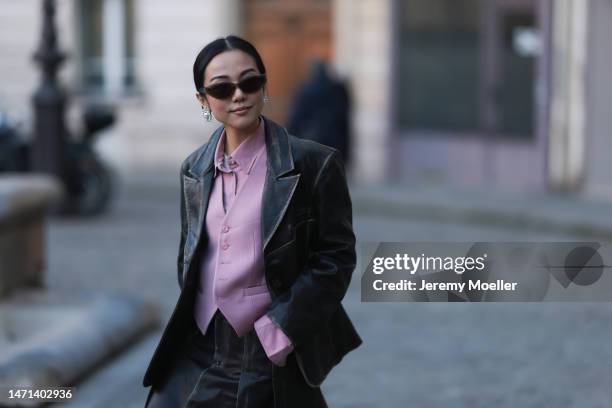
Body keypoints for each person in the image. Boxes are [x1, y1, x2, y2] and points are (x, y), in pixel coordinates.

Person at [142, 35, 361, 407]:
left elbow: (336, 259)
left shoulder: (312, 164)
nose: (238, 95)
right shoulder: (194, 168)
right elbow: (192, 253)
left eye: (249, 82)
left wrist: (280, 329)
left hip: (269, 351)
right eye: (222, 88)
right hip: (201, 349)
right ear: (203, 100)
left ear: (264, 85)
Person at [286, 58, 352, 167]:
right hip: (335, 145)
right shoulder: (337, 90)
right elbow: (344, 121)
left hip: (313, 145)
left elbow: (296, 120)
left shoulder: (306, 90)